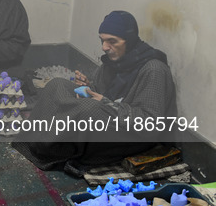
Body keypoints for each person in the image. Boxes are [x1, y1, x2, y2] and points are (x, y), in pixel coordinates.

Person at [15, 11, 177, 173]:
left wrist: (104, 103)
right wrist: (88, 87)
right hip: (111, 116)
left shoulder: (154, 70)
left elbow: (150, 124)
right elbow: (100, 92)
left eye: (112, 41)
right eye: (102, 40)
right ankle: (36, 140)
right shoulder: (115, 61)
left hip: (134, 136)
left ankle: (52, 149)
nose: (104, 47)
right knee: (57, 85)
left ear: (130, 40)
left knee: (89, 109)